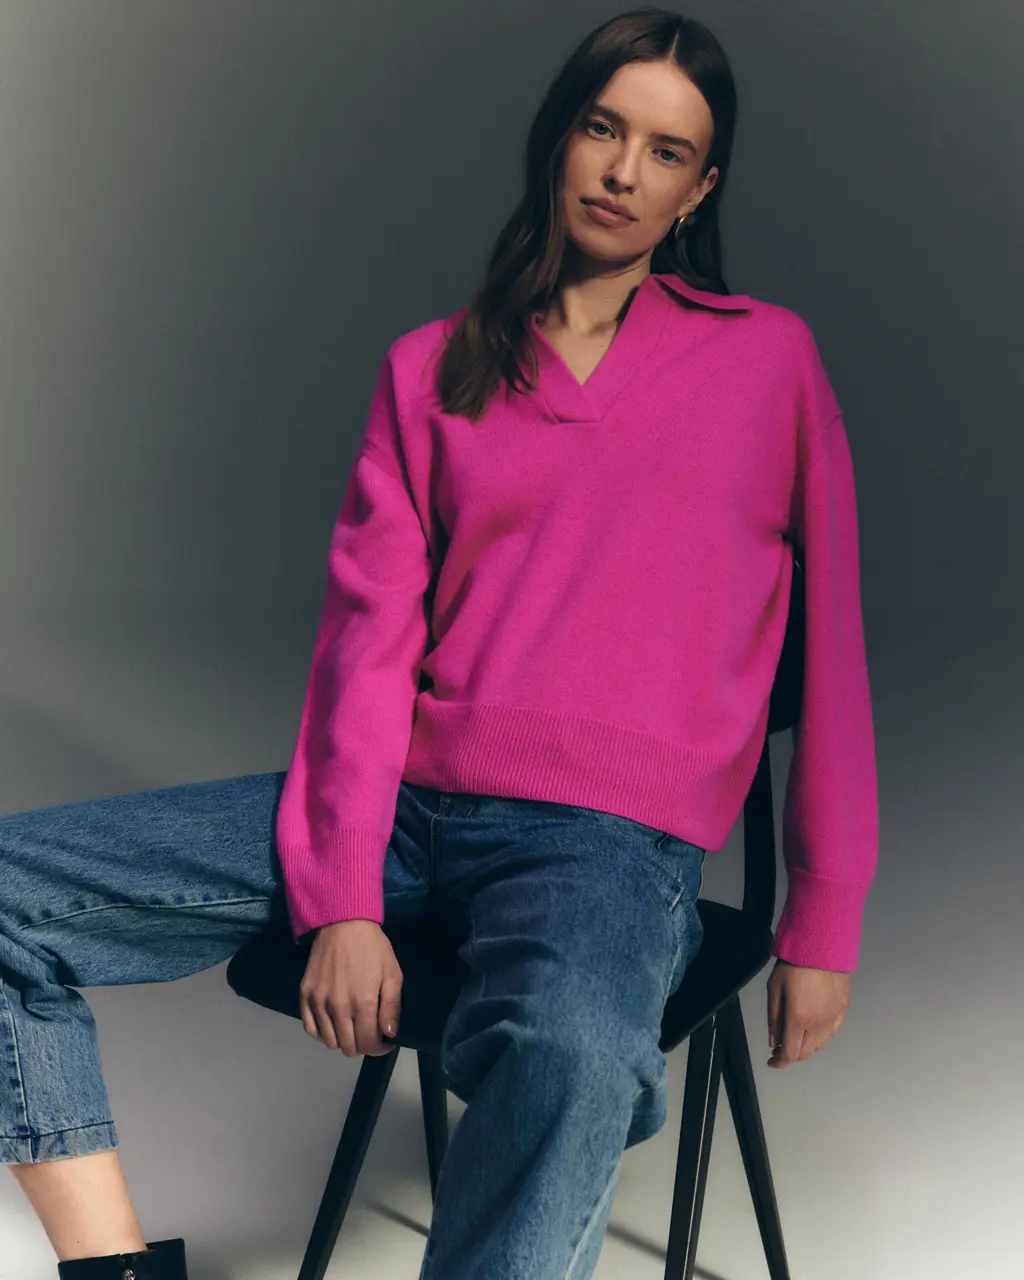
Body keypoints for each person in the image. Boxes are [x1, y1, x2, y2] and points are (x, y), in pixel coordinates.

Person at [0, 8, 878, 1279]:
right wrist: (345, 896)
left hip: (609, 843)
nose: (623, 172)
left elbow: (835, 655)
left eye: (666, 152)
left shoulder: (768, 362)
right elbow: (362, 655)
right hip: (404, 809)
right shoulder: (431, 369)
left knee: (572, 1048)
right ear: (558, 138)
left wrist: (821, 920)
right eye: (602, 129)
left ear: (700, 189)